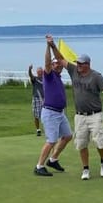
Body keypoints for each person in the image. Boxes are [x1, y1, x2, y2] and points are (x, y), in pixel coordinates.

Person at [47, 34, 103, 180]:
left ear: (87, 64)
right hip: (80, 115)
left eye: (80, 64)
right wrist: (53, 45)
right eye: (77, 63)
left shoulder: (96, 76)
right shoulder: (73, 71)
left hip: (95, 114)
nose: (78, 65)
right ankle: (85, 169)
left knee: (100, 142)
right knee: (81, 143)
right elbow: (60, 59)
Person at [34, 45, 73, 176]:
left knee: (67, 136)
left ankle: (53, 159)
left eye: (60, 64)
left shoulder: (58, 77)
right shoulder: (49, 75)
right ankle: (39, 166)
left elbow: (60, 60)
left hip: (60, 113)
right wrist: (48, 46)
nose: (58, 66)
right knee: (51, 140)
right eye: (55, 64)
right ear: (51, 65)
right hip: (50, 112)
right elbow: (46, 62)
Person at [28, 64, 45, 136]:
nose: (40, 72)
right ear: (37, 72)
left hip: (45, 98)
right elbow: (30, 75)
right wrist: (29, 69)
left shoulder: (46, 79)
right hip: (36, 98)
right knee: (36, 115)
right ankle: (38, 130)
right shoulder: (35, 79)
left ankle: (47, 129)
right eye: (38, 71)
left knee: (46, 114)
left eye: (41, 71)